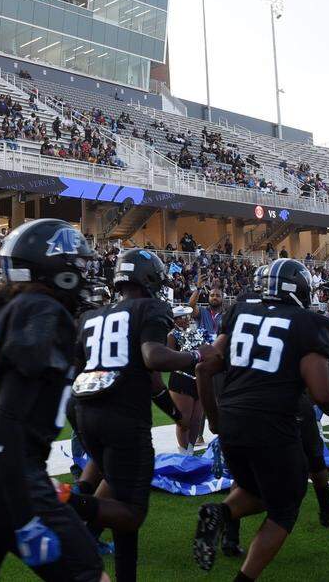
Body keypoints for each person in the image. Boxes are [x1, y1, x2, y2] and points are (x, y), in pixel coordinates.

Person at [0, 219, 106, 582]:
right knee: (90, 575)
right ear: (58, 269)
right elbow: (5, 425)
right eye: (79, 264)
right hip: (10, 479)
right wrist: (25, 517)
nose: (84, 273)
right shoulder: (43, 312)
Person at [193, 258, 329, 578]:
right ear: (300, 288)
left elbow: (203, 367)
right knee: (285, 505)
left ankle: (220, 512)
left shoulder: (239, 312)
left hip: (232, 418)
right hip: (272, 422)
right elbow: (321, 392)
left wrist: (213, 419)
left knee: (256, 492)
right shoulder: (310, 323)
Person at [70, 248, 214, 582]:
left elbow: (78, 369)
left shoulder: (92, 317)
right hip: (123, 418)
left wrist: (172, 410)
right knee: (130, 512)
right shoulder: (151, 308)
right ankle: (63, 504)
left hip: (86, 414)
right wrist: (194, 355)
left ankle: (80, 515)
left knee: (112, 490)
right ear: (148, 279)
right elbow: (153, 357)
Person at [166, 305, 206, 454]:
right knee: (184, 420)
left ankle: (190, 450)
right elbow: (170, 359)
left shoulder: (197, 333)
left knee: (196, 419)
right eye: (183, 317)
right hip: (181, 379)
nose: (187, 320)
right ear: (175, 320)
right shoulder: (171, 335)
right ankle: (183, 453)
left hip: (198, 379)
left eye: (188, 317)